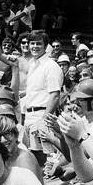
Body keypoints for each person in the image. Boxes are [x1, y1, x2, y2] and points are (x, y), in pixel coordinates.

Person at [23, 30, 63, 166]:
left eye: (38, 43)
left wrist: (43, 120)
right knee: (32, 157)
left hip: (42, 115)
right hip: (29, 116)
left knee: (44, 159)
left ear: (46, 46)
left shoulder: (51, 66)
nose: (34, 46)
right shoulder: (32, 64)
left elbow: (55, 94)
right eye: (32, 43)